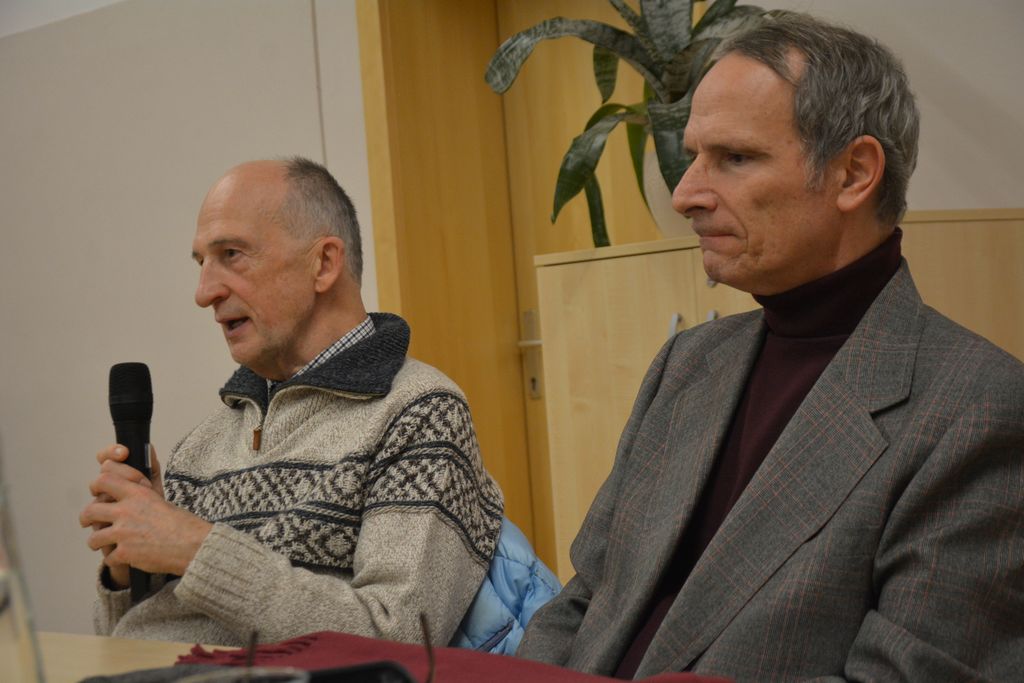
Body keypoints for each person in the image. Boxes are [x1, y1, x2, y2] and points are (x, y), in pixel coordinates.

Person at [517, 12, 1024, 681]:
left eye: (735, 158)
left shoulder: (978, 408)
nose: (686, 195)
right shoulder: (688, 362)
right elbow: (585, 599)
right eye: (694, 155)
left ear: (854, 173)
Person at [79, 157, 505, 647]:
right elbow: (132, 635)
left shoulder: (420, 414)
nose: (204, 292)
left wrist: (195, 550)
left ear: (323, 263)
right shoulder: (201, 444)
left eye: (232, 254)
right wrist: (128, 571)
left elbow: (400, 636)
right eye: (201, 263)